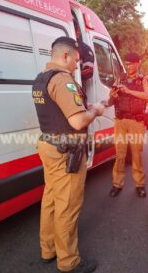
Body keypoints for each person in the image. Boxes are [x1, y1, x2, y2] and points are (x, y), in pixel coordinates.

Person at [32, 36, 104, 273]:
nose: (76, 64)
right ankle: (69, 262)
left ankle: (48, 249)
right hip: (67, 152)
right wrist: (95, 111)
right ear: (65, 56)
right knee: (68, 206)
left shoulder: (41, 79)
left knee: (51, 200)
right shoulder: (63, 81)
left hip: (49, 146)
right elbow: (77, 120)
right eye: (75, 59)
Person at [107, 52, 148, 198]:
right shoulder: (120, 78)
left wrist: (128, 91)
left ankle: (139, 185)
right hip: (120, 121)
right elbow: (109, 102)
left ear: (138, 63)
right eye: (126, 64)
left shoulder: (143, 79)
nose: (128, 66)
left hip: (136, 122)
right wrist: (112, 96)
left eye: (131, 64)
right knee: (120, 154)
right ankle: (117, 184)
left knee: (136, 154)